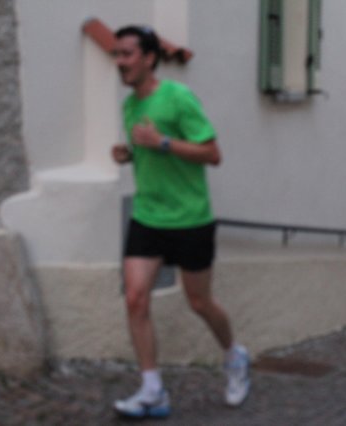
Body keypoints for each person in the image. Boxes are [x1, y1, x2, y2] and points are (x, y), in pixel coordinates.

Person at [110, 25, 250, 419]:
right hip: (148, 215)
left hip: (190, 218)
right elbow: (145, 152)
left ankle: (234, 356)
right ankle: (152, 389)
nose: (119, 62)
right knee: (135, 298)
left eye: (126, 54)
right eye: (117, 54)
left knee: (199, 302)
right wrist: (128, 155)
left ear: (149, 58)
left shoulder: (178, 97)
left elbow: (212, 154)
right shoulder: (129, 106)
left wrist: (164, 143)